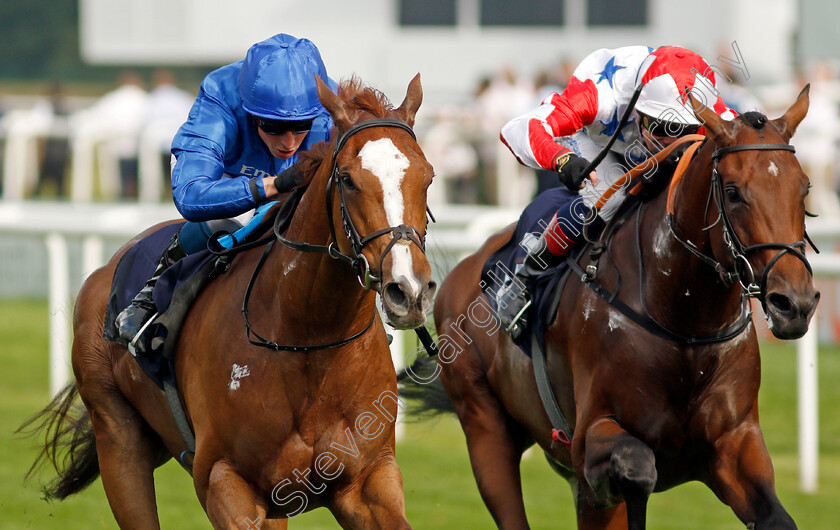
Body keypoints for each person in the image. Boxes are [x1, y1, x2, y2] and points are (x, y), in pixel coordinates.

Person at [498, 45, 738, 337]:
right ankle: (525, 279)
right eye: (661, 126)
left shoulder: (713, 106)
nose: (671, 140)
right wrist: (562, 159)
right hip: (600, 142)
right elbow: (517, 128)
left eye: (683, 129)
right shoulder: (599, 96)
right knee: (608, 199)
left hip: (640, 139)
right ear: (639, 107)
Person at [116, 33, 335, 342]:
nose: (288, 142)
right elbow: (191, 195)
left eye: (301, 126)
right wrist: (271, 185)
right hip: (224, 178)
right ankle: (154, 288)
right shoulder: (221, 95)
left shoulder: (331, 104)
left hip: (290, 186)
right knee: (235, 219)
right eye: (273, 126)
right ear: (251, 112)